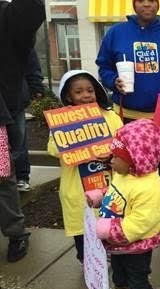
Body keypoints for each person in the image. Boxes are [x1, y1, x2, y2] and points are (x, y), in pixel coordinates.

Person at [96, 0, 160, 244]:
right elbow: (103, 66)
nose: (146, 4)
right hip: (126, 116)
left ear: (158, 4)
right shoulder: (116, 33)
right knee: (123, 172)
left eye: (152, 0)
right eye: (141, 0)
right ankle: (125, 221)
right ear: (134, 3)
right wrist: (112, 80)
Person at [86, 119, 160, 289]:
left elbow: (139, 223)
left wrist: (108, 230)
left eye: (116, 157)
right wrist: (101, 196)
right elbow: (117, 194)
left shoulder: (150, 189)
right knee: (119, 278)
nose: (111, 160)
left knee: (138, 281)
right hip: (117, 248)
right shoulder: (123, 175)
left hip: (136, 247)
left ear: (135, 158)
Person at [47, 70, 123, 264]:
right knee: (83, 231)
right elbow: (53, 149)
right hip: (77, 188)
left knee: (108, 225)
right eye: (78, 92)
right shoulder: (61, 121)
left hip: (108, 185)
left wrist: (111, 152)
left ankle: (110, 256)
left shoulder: (110, 116)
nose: (85, 95)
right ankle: (88, 263)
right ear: (68, 96)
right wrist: (75, 143)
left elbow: (123, 142)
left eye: (90, 90)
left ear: (97, 91)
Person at [0, 0, 45, 263]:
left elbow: (30, 12)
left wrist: (35, 82)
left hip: (6, 106)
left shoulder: (8, 14)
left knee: (4, 174)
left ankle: (16, 233)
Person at [15, 48, 45, 192]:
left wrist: (36, 85)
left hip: (13, 97)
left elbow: (30, 60)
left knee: (18, 140)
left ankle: (21, 177)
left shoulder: (14, 34)